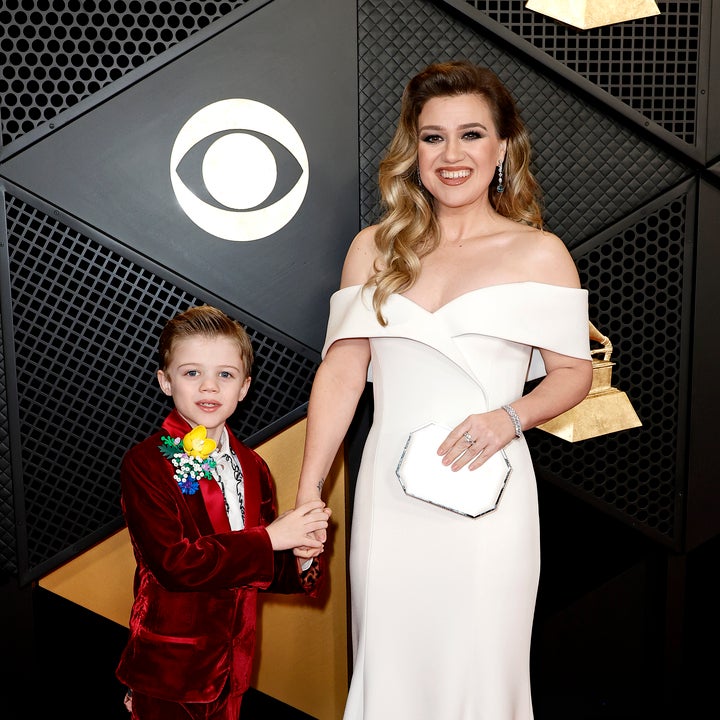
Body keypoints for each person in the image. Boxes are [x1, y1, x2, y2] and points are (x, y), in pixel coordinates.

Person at [294, 60, 593, 719]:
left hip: (491, 494)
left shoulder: (540, 254)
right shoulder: (373, 249)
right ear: (414, 149)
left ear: (503, 148)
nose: (452, 155)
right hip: (389, 502)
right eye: (433, 137)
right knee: (391, 666)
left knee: (478, 671)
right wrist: (310, 491)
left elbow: (576, 373)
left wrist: (508, 418)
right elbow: (342, 373)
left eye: (471, 135)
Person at [116, 304, 331, 720]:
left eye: (226, 375)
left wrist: (301, 556)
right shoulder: (145, 463)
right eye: (192, 372)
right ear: (165, 381)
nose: (209, 386)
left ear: (244, 387)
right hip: (169, 674)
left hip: (233, 671)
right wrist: (271, 538)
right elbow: (175, 564)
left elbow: (260, 568)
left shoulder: (253, 466)